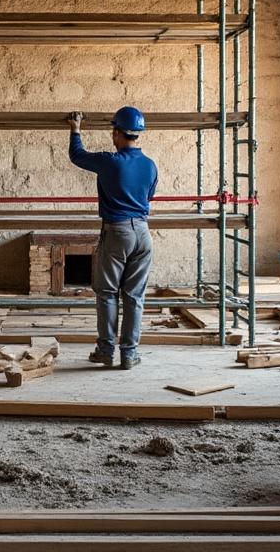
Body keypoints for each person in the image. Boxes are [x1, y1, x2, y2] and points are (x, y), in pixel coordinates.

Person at [67, 107, 158, 370]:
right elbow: (148, 196)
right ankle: (129, 355)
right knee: (134, 296)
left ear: (118, 133)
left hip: (117, 231)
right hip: (143, 232)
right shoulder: (150, 165)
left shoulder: (110, 161)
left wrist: (75, 129)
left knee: (107, 293)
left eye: (113, 131)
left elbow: (78, 156)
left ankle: (106, 351)